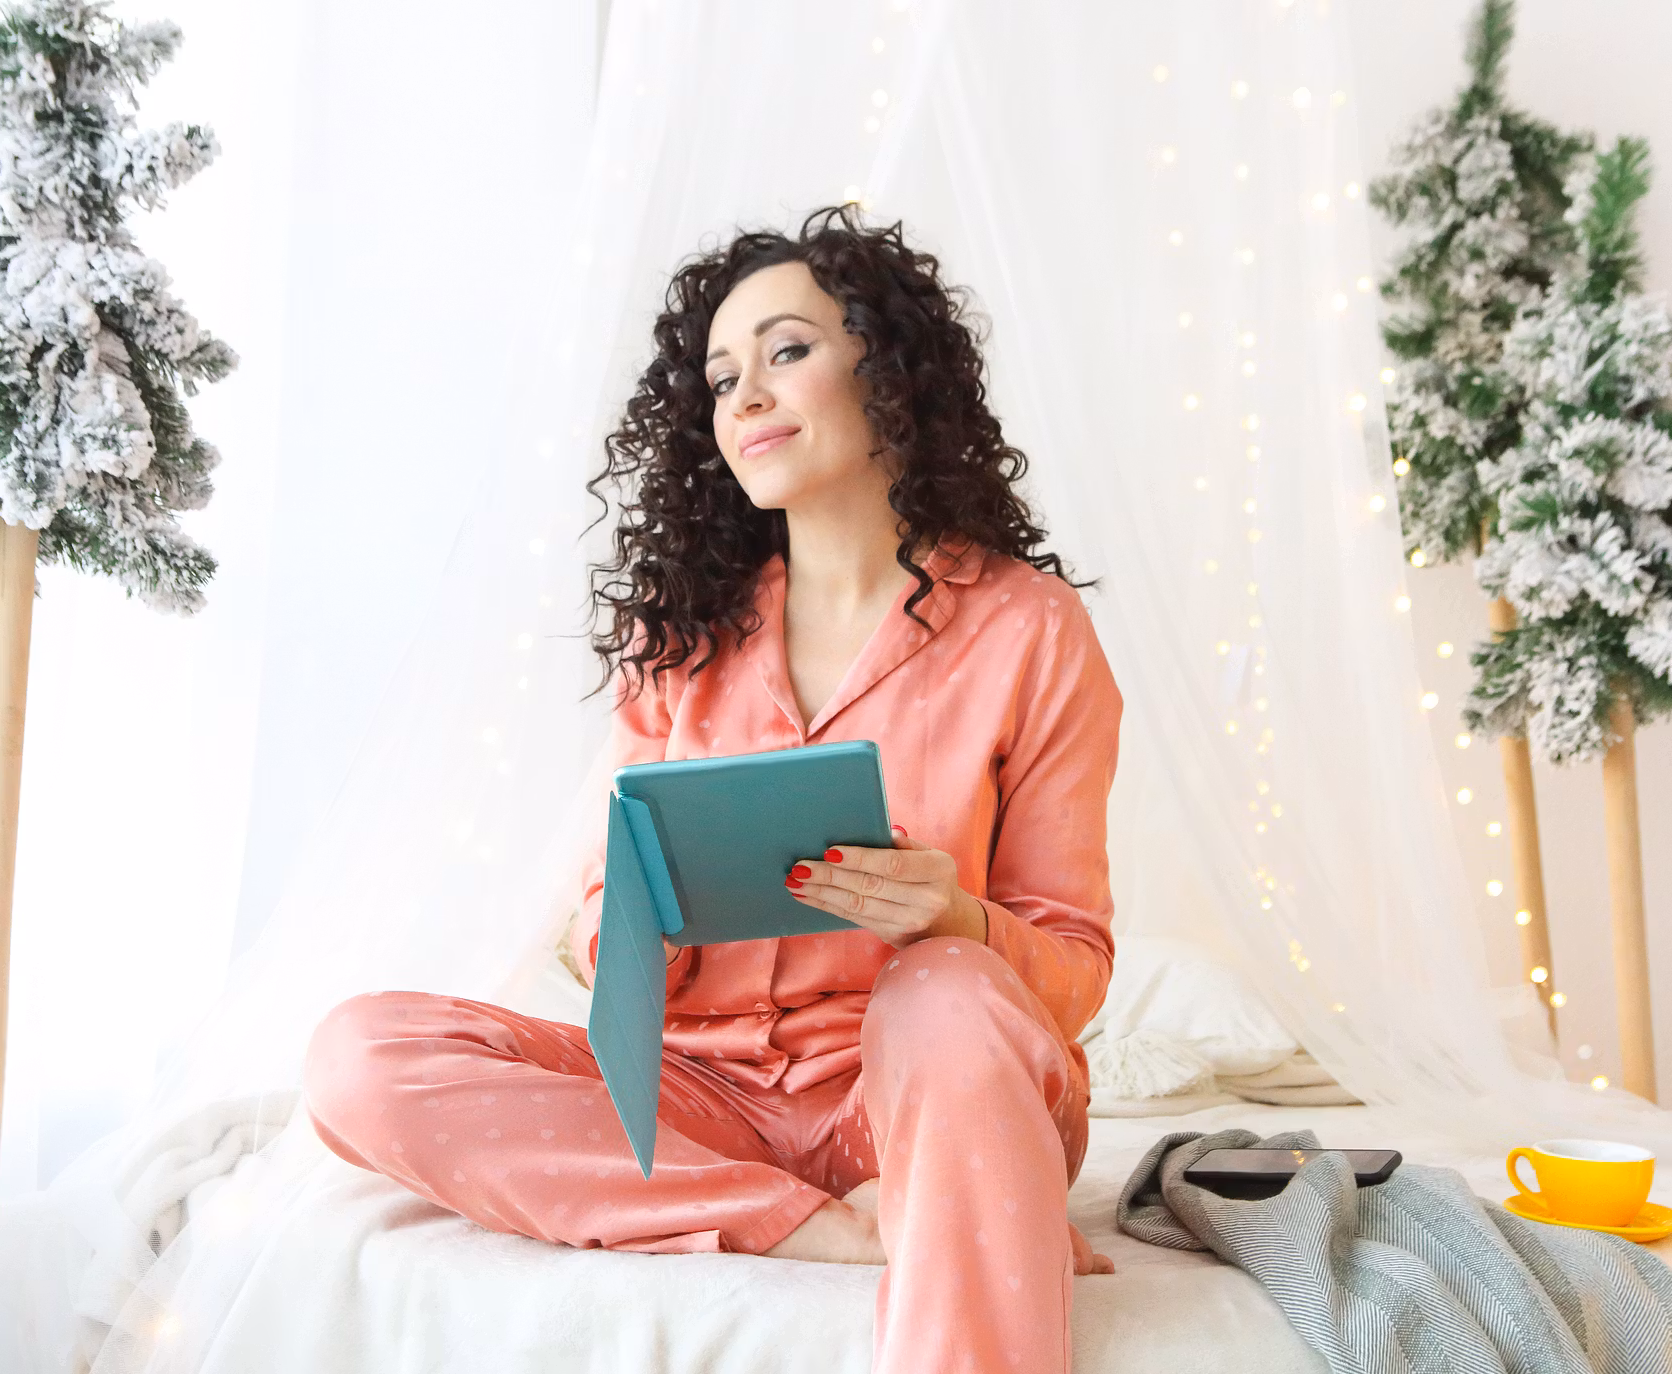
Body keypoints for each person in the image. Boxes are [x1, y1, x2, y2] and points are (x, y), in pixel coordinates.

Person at [302, 203, 1124, 1373]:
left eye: (786, 351)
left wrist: (951, 919)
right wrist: (631, 923)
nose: (742, 397)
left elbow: (1071, 966)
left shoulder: (1027, 630)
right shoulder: (684, 638)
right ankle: (817, 1230)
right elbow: (599, 935)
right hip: (699, 1091)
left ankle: (926, 1217)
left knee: (946, 991)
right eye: (720, 375)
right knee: (357, 1054)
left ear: (888, 372)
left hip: (919, 1089)